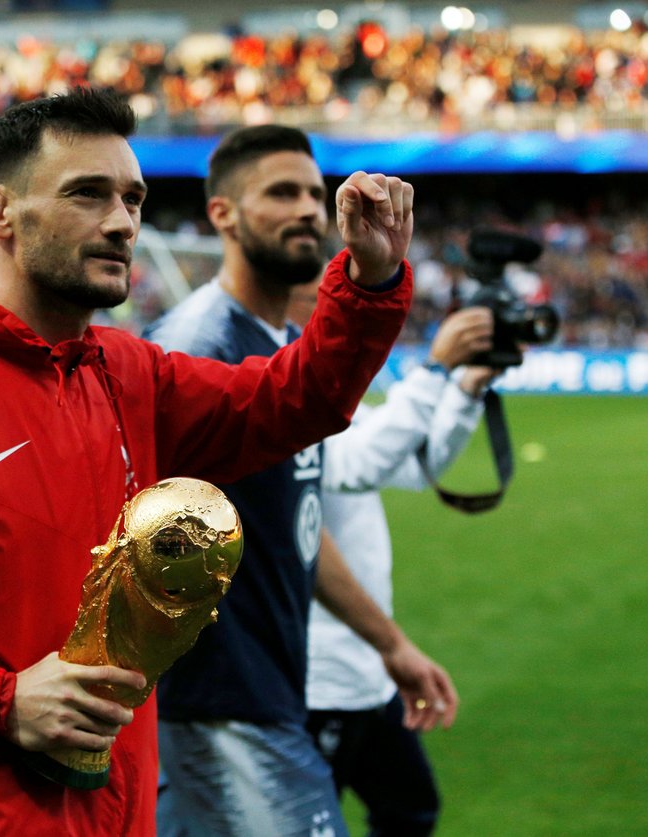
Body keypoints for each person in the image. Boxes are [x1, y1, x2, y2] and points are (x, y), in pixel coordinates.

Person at [0, 88, 414, 836]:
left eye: (133, 198)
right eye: (88, 194)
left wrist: (370, 282)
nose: (122, 222)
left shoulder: (127, 374)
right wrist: (0, 702)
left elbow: (295, 401)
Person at [145, 124, 454, 837]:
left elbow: (287, 526)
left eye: (315, 194)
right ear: (222, 214)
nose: (309, 210)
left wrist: (389, 643)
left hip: (266, 691)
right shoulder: (199, 348)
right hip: (218, 703)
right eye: (282, 193)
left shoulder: (279, 345)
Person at [299, 293, 499, 836]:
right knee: (313, 824)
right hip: (318, 676)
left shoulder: (330, 390)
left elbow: (414, 465)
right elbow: (360, 464)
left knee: (411, 808)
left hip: (369, 666)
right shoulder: (281, 391)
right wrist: (435, 369)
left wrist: (463, 389)